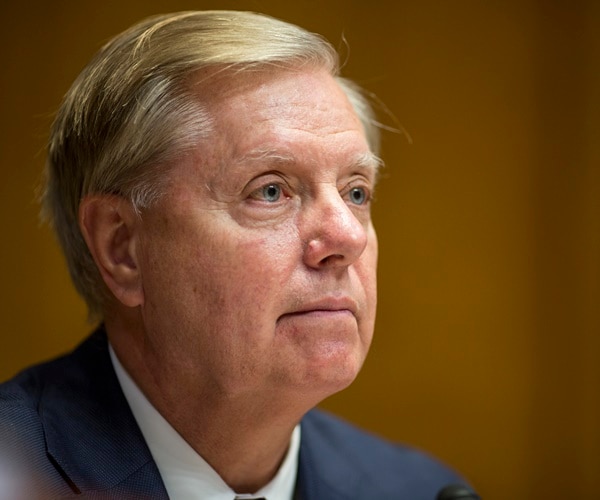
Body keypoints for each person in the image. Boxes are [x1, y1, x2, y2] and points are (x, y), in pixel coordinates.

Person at [0, 10, 466, 499]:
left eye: (355, 193)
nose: (346, 237)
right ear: (124, 249)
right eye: (270, 191)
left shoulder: (420, 489)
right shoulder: (18, 475)